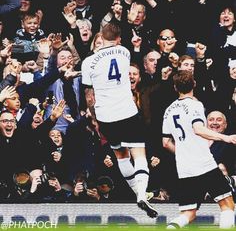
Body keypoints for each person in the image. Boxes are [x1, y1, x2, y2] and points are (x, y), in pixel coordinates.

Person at [81, 22, 158, 218]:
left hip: (106, 116)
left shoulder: (88, 62)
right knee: (139, 154)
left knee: (121, 156)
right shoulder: (124, 52)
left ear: (100, 38)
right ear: (118, 39)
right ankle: (142, 193)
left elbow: (89, 96)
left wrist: (96, 118)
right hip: (127, 112)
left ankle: (138, 194)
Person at [162, 70, 236, 229]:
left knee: (188, 213)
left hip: (184, 168)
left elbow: (166, 142)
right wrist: (226, 137)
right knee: (227, 205)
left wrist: (183, 153)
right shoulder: (195, 104)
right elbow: (198, 129)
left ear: (175, 87)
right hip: (204, 164)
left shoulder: (168, 110)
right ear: (194, 84)